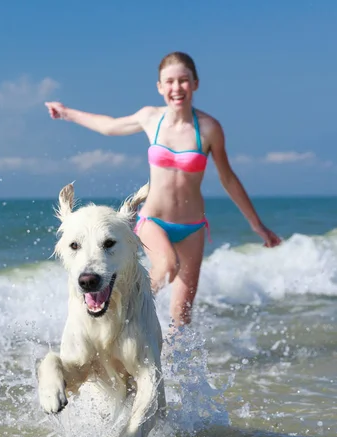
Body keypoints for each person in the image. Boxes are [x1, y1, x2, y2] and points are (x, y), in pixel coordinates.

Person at [45, 51, 281, 328]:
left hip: (192, 227)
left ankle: (172, 367)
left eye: (183, 80)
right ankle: (117, 316)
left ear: (195, 83)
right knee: (167, 265)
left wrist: (257, 225)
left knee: (181, 315)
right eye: (169, 81)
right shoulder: (151, 118)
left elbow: (228, 178)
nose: (176, 88)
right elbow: (109, 126)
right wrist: (67, 113)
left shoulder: (208, 128)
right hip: (153, 220)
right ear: (159, 87)